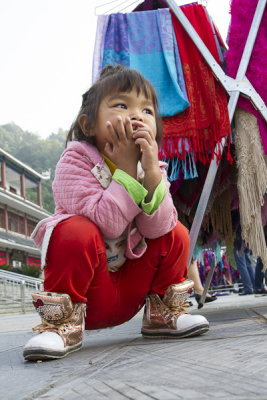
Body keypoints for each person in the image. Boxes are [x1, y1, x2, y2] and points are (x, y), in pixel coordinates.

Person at [23, 65, 209, 361]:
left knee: (176, 232)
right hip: (87, 295)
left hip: (131, 291)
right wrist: (124, 169)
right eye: (122, 105)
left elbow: (157, 228)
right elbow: (106, 225)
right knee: (74, 230)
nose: (136, 116)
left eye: (147, 111)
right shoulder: (75, 161)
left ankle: (163, 314)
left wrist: (149, 173)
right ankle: (59, 326)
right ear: (88, 124)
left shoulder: (153, 168)